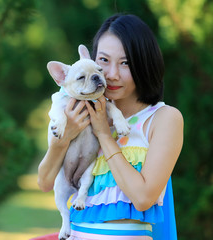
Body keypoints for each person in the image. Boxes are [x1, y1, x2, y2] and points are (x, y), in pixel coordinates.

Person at [37, 14, 183, 240]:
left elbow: (143, 198)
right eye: (104, 61)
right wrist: (65, 138)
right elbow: (45, 183)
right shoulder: (77, 114)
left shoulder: (163, 118)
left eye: (125, 63)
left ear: (145, 64)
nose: (112, 75)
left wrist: (104, 134)